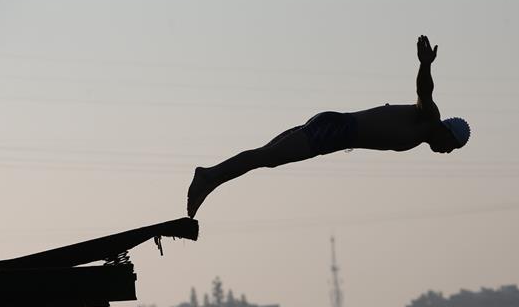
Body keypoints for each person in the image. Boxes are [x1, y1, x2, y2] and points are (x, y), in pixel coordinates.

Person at [186, 35, 471, 218]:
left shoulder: (422, 133)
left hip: (334, 129)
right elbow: (424, 91)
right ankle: (208, 176)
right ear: (447, 133)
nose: (446, 152)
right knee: (267, 158)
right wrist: (425, 65)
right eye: (451, 147)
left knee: (265, 157)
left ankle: (211, 180)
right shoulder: (429, 118)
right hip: (335, 130)